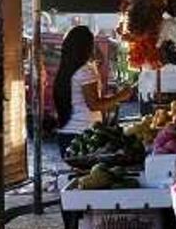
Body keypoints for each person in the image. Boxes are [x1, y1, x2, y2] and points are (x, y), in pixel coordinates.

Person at [53, 25, 131, 155]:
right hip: (83, 135)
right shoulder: (85, 70)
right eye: (92, 43)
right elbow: (94, 105)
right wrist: (121, 96)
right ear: (86, 46)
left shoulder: (66, 70)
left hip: (66, 134)